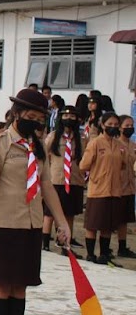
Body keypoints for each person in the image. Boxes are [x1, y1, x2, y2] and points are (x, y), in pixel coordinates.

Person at [0, 89, 71, 315]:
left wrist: (61, 223)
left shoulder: (37, 146)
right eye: (30, 116)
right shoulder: (0, 142)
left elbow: (47, 186)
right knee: (3, 284)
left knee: (21, 286)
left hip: (31, 224)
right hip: (5, 223)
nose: (35, 122)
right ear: (17, 114)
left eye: (40, 118)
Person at [80, 111, 127, 265]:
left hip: (114, 190)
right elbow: (84, 165)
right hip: (98, 189)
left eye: (116, 125)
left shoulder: (119, 145)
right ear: (102, 125)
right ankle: (90, 253)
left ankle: (104, 254)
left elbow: (123, 165)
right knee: (93, 223)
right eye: (110, 124)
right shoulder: (95, 143)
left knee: (107, 225)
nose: (113, 127)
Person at [42, 106, 85, 255]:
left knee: (69, 214)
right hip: (56, 180)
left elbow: (83, 158)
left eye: (73, 117)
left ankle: (66, 245)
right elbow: (43, 154)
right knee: (50, 213)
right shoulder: (53, 136)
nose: (69, 119)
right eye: (66, 116)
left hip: (73, 181)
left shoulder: (80, 139)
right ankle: (45, 243)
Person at [116, 115, 136, 258]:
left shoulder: (133, 145)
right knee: (114, 219)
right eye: (126, 126)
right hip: (117, 186)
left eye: (131, 126)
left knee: (124, 219)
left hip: (130, 186)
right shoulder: (116, 144)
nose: (129, 128)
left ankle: (122, 247)